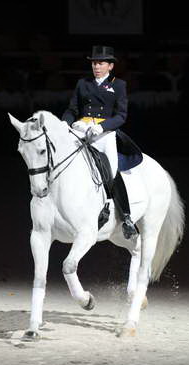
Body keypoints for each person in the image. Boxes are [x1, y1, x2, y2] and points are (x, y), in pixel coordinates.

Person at [61, 45, 143, 240]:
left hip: (104, 134)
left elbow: (121, 115)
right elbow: (73, 109)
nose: (96, 66)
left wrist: (103, 126)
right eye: (94, 63)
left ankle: (126, 217)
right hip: (82, 129)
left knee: (112, 171)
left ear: (110, 66)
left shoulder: (118, 85)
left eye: (101, 63)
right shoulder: (83, 83)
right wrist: (65, 123)